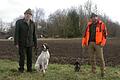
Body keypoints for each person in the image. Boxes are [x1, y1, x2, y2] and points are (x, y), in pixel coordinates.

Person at [82, 13, 107, 77]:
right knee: (91, 58)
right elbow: (85, 35)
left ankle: (103, 71)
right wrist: (84, 43)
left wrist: (103, 43)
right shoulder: (88, 25)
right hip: (90, 44)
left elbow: (105, 35)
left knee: (101, 58)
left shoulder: (101, 24)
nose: (94, 18)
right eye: (93, 17)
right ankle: (93, 71)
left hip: (98, 44)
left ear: (97, 17)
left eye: (95, 17)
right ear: (91, 18)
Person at [14, 8, 37, 73]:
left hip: (30, 44)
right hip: (22, 43)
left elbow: (34, 34)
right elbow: (16, 33)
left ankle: (29, 69)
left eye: (29, 14)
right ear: (24, 14)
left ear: (31, 16)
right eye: (26, 14)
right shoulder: (19, 22)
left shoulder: (33, 23)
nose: (28, 15)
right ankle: (21, 69)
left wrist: (35, 44)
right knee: (22, 57)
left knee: (30, 57)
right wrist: (16, 43)